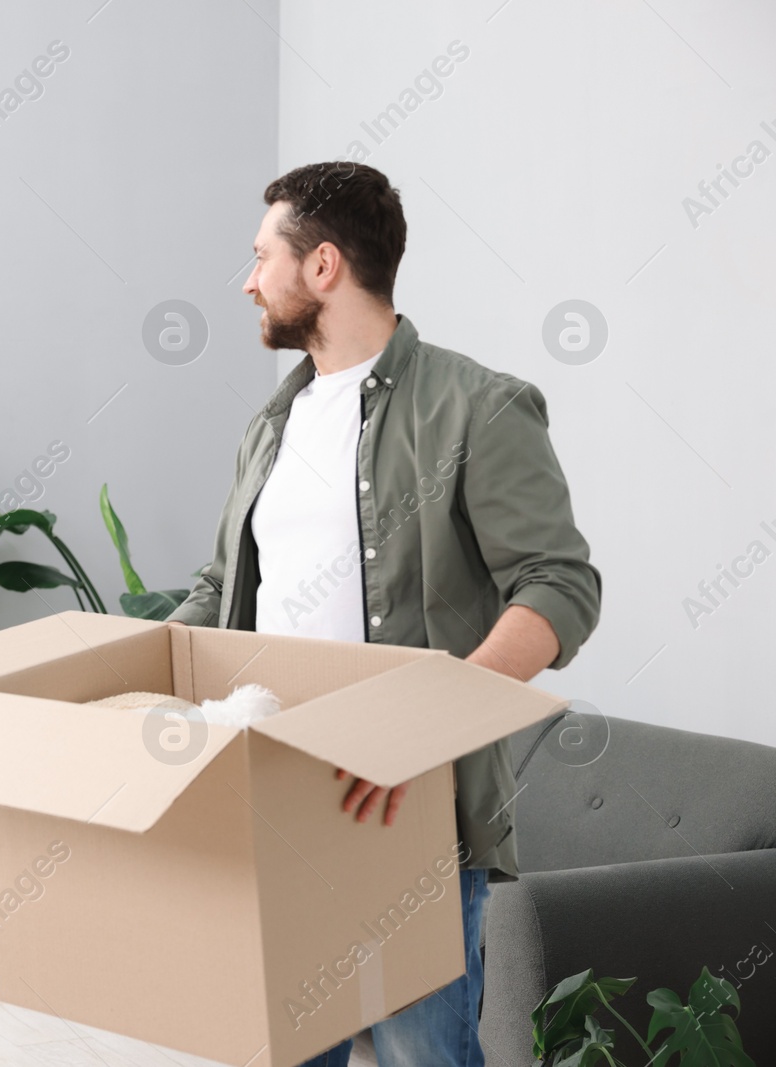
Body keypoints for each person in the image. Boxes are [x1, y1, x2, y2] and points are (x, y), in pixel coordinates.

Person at [166, 162, 601, 1067]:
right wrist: (129, 671)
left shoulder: (480, 406)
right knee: (285, 1051)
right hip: (277, 796)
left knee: (421, 1058)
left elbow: (560, 585)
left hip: (411, 808)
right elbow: (222, 589)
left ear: (322, 266)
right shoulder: (273, 425)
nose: (248, 281)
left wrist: (425, 723)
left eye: (261, 257)